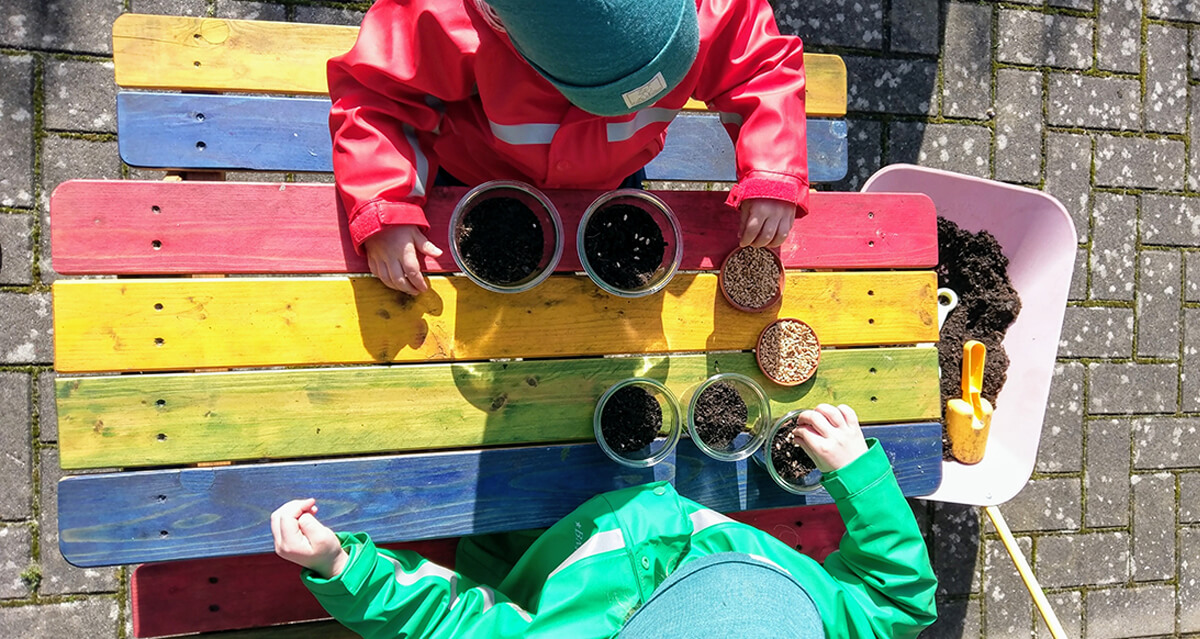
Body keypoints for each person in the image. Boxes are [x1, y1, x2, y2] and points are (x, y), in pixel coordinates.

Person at [271, 404, 938, 638]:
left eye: (692, 585)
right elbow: (899, 597)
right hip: (657, 482)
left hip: (531, 527)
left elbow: (449, 621)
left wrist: (343, 568)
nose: (692, 565)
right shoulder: (830, 620)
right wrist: (859, 474)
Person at [328, 0, 810, 295]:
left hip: (613, 175)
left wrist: (774, 171)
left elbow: (759, 67)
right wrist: (384, 203)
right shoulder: (445, 17)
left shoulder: (714, 8)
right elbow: (376, 98)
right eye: (600, 98)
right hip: (474, 175)